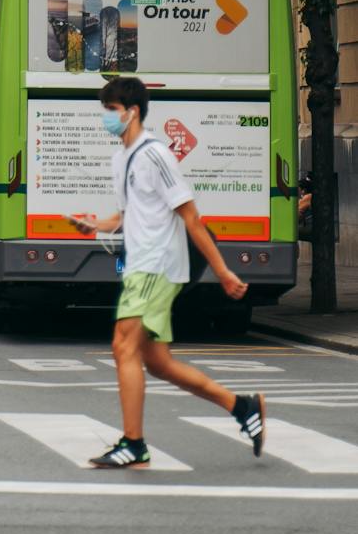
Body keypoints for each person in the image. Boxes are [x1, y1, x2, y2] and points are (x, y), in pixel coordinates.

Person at [75, 75, 264, 470]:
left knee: (122, 347)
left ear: (133, 112)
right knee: (157, 363)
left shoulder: (155, 154)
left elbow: (191, 218)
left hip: (157, 266)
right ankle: (242, 406)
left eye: (111, 111)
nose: (106, 118)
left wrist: (223, 271)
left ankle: (134, 444)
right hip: (141, 265)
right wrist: (96, 224)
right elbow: (129, 216)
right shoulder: (122, 157)